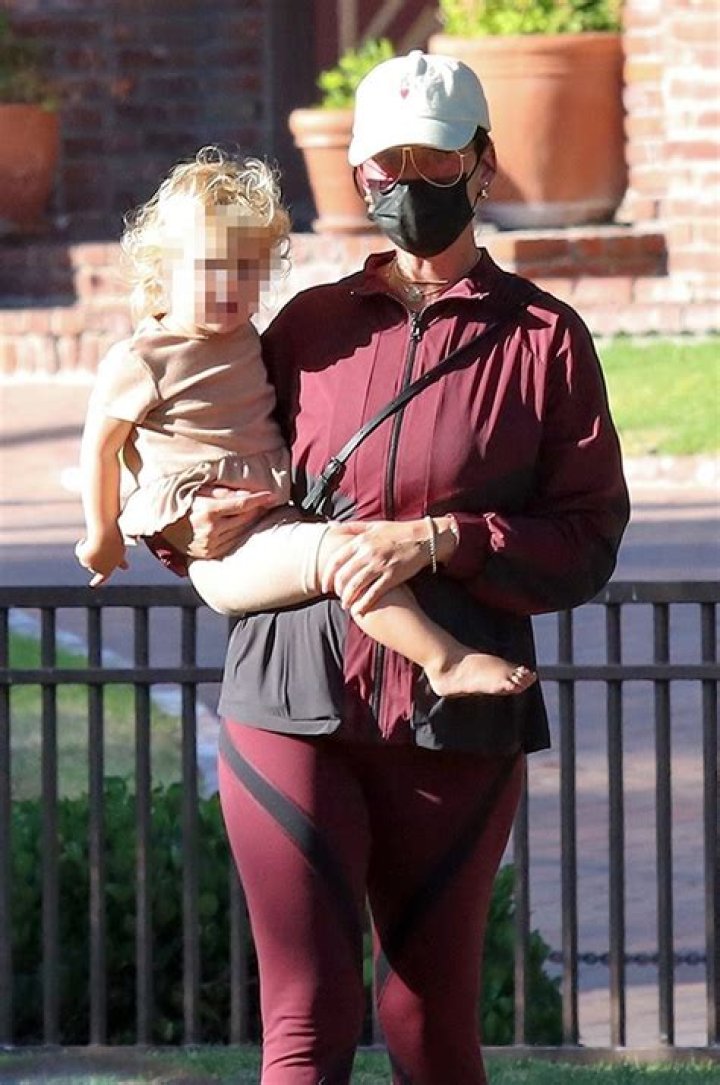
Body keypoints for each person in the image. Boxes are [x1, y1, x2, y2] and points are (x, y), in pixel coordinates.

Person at [156, 52, 630, 1085]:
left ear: (483, 164)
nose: (408, 183)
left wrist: (448, 538)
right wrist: (182, 518)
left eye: (434, 159)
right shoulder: (307, 326)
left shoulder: (545, 339)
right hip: (289, 696)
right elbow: (201, 442)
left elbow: (588, 540)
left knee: (427, 1019)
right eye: (386, 165)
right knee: (305, 1018)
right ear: (358, 176)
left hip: (455, 721)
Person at [74, 146, 535, 699]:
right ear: (163, 271)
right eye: (209, 269)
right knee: (348, 556)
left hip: (270, 516)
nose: (228, 287)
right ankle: (443, 660)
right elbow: (102, 448)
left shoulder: (245, 338)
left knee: (354, 551)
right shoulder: (145, 357)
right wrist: (104, 533)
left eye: (247, 270)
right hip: (225, 550)